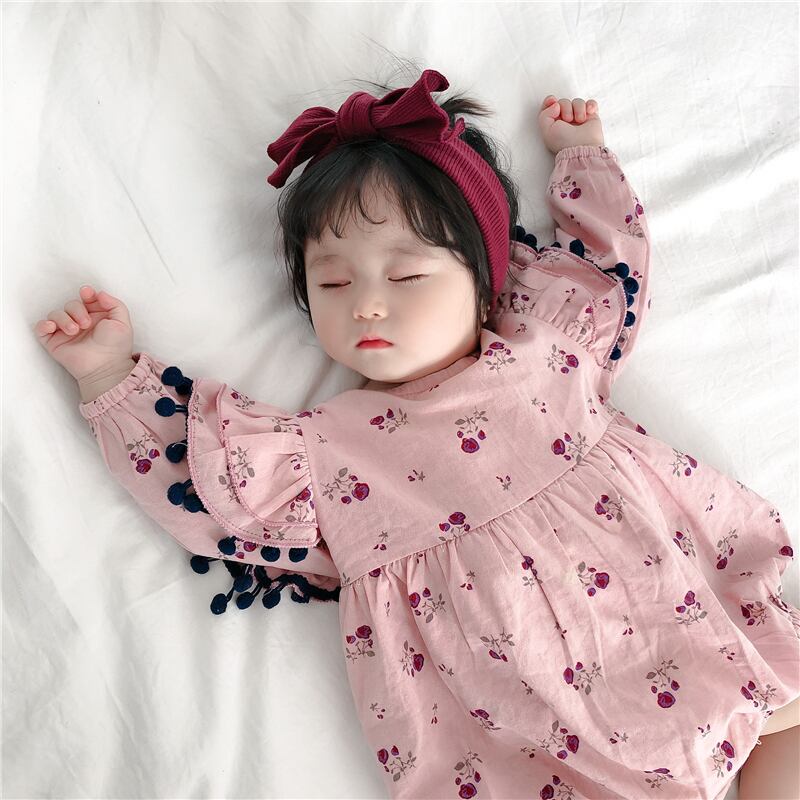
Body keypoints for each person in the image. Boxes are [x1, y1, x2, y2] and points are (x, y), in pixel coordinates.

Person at [34, 70, 799, 799]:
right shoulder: (322, 455)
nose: (367, 303)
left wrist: (582, 158)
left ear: (486, 280)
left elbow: (610, 262)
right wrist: (109, 375)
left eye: (405, 276)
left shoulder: (548, 343)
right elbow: (203, 484)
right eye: (333, 282)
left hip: (680, 624)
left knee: (787, 717)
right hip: (540, 730)